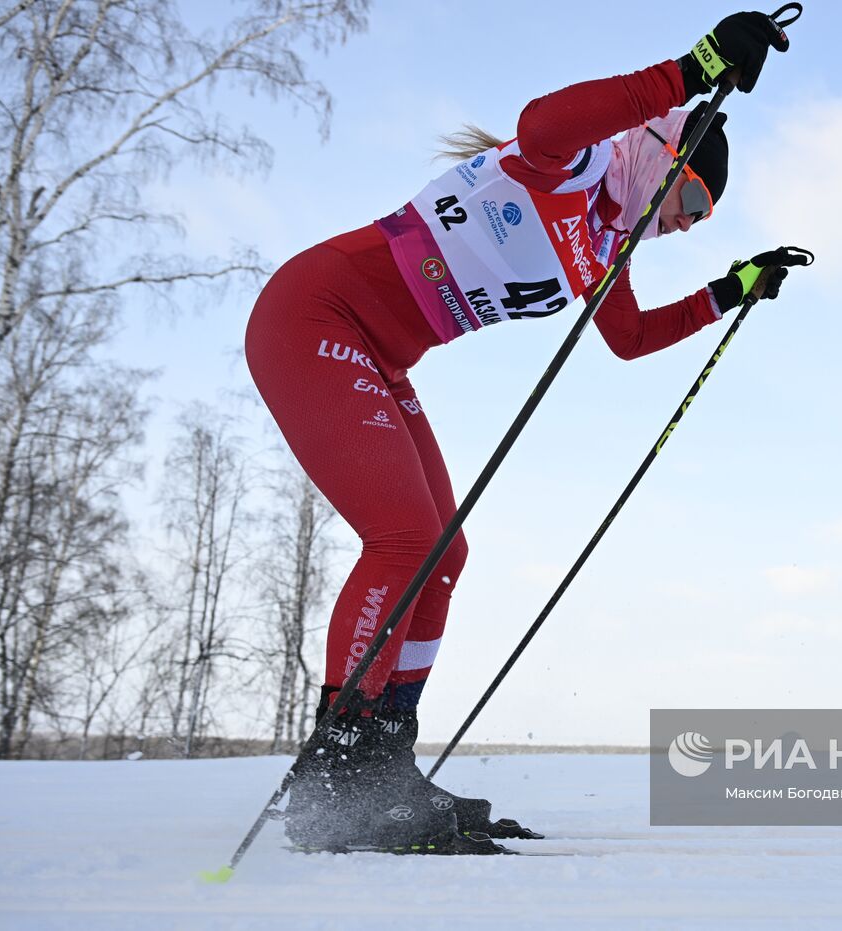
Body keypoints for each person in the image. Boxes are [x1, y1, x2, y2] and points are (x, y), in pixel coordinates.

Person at [246, 10, 806, 855]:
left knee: (446, 551)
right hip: (315, 316)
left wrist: (730, 290)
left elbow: (627, 338)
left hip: (382, 357)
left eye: (699, 222)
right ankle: (337, 773)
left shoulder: (601, 239)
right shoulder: (577, 164)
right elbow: (544, 119)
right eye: (691, 200)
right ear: (664, 153)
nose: (684, 224)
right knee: (403, 541)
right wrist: (696, 68)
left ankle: (385, 759)